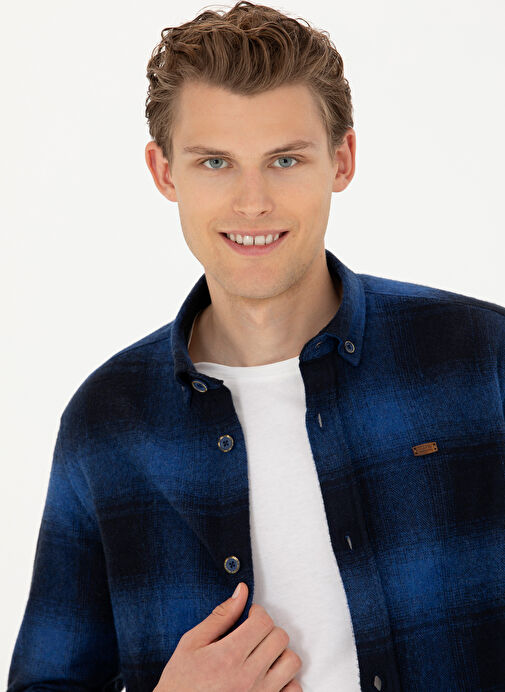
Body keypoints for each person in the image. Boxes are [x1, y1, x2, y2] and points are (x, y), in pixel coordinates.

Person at [7, 1, 505, 691]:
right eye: (215, 162)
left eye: (284, 160)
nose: (252, 202)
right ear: (164, 172)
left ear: (341, 159)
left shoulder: (479, 359)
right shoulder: (110, 423)